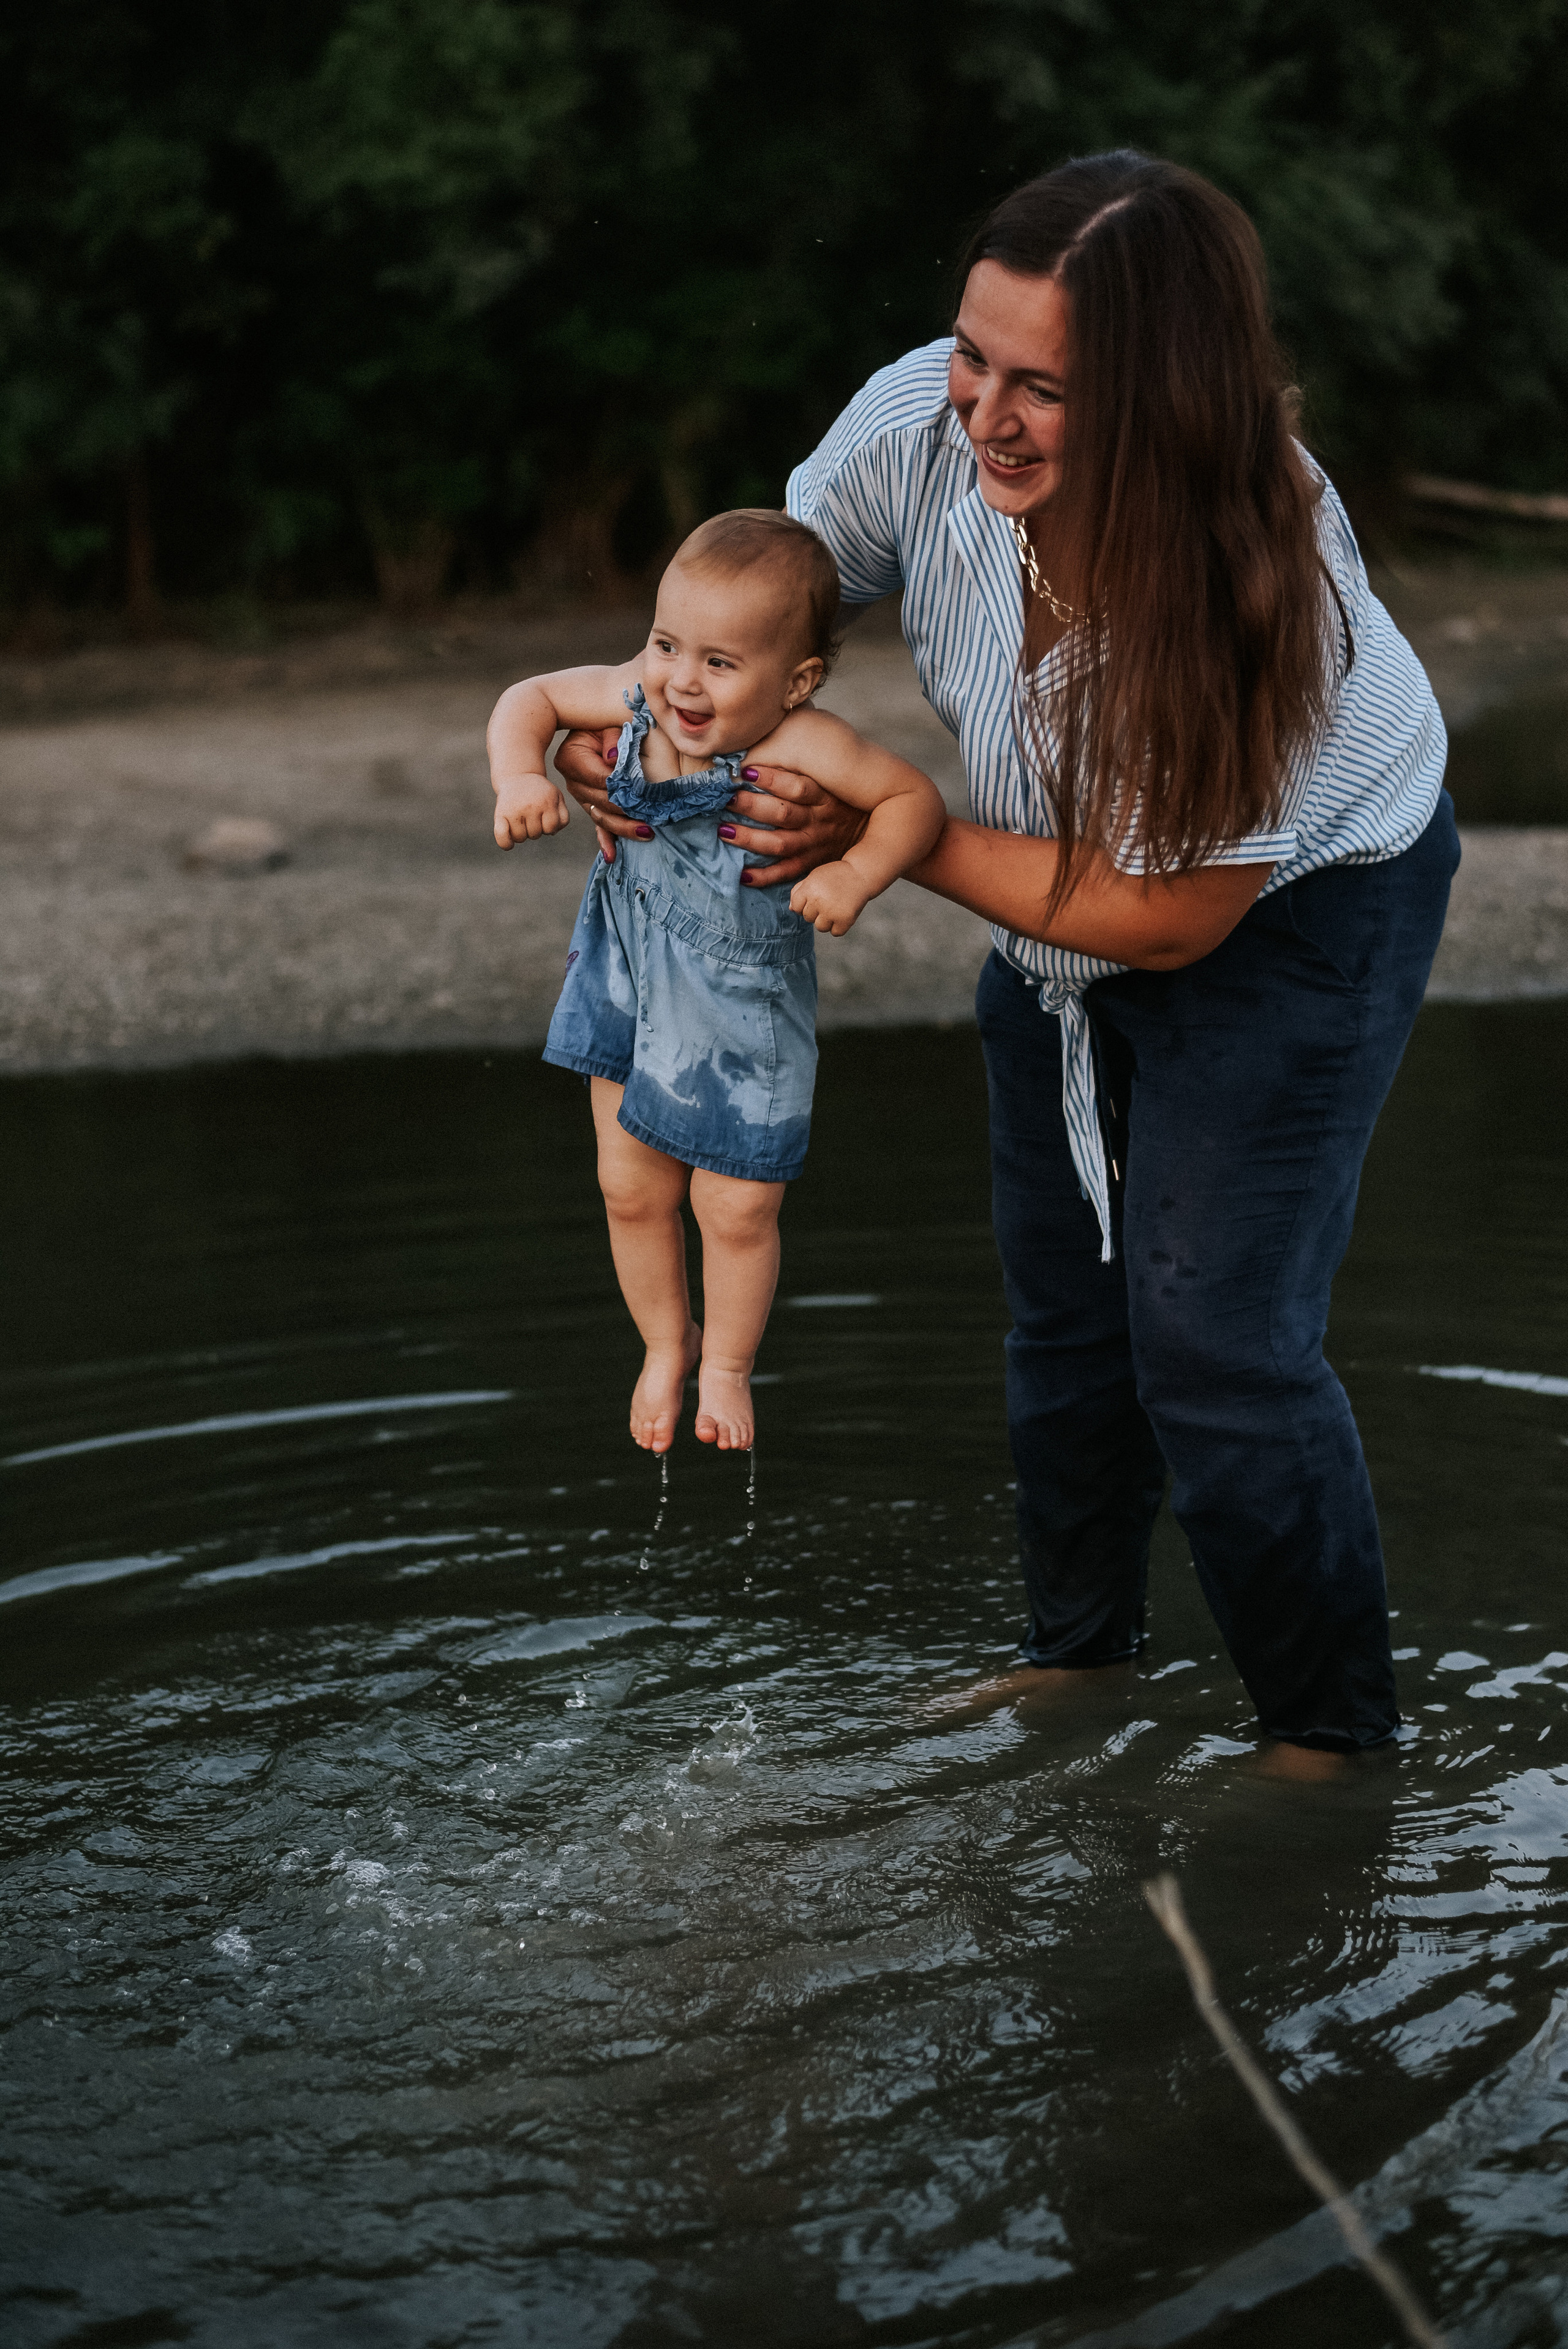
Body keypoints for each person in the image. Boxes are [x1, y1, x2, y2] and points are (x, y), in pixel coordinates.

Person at [557, 153, 1458, 1763]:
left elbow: (1169, 916)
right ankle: (1081, 1660)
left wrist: (877, 836)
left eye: (1047, 386)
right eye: (978, 356)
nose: (986, 415)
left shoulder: (1263, 579)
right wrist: (647, 722)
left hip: (1301, 908)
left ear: (1169, 397)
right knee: (1065, 1310)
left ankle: (1329, 1750)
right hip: (1047, 894)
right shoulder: (921, 427)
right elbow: (759, 608)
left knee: (1213, 1343)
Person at [488, 509, 944, 1458]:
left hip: (743, 1010)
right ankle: (665, 1343)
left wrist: (854, 874)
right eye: (666, 643)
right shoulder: (638, 698)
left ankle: (728, 1364)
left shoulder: (803, 745)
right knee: (627, 1186)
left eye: (721, 663)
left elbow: (914, 801)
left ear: (797, 682)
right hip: (629, 972)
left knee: (736, 1207)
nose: (681, 679)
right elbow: (528, 695)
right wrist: (516, 777)